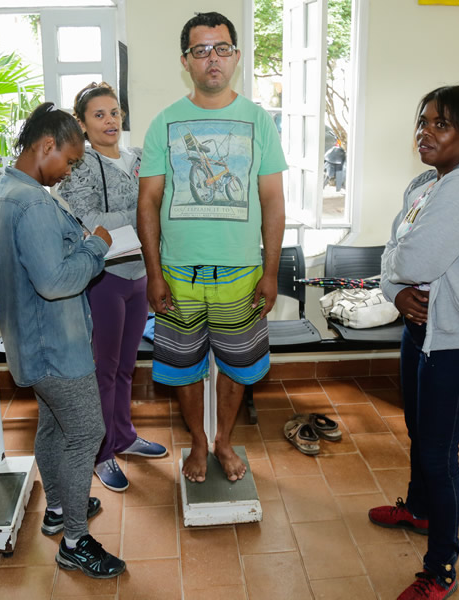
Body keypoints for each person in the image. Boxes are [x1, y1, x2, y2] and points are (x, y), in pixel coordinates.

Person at [367, 85, 459, 600]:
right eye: (423, 121)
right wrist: (395, 291)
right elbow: (392, 253)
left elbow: (413, 260)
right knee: (417, 431)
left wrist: (399, 272)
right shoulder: (426, 184)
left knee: (438, 452)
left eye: (440, 124)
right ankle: (420, 510)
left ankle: (441, 567)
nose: (425, 132)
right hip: (422, 326)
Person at [137, 12, 286, 483]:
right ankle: (199, 444)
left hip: (242, 273)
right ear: (186, 61)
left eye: (221, 48)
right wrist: (154, 273)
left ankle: (223, 441)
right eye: (200, 50)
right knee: (183, 369)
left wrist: (270, 271)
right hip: (178, 274)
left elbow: (273, 202)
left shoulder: (259, 121)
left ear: (236, 56)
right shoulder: (164, 123)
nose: (212, 59)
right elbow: (148, 201)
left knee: (237, 368)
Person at [0, 103, 125, 579]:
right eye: (68, 161)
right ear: (46, 145)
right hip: (56, 346)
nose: (68, 171)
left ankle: (59, 510)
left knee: (53, 429)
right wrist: (97, 245)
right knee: (86, 432)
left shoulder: (7, 191)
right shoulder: (33, 204)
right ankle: (75, 542)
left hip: (31, 341)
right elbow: (54, 281)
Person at [59, 82, 167, 494]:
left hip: (140, 274)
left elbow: (163, 203)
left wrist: (148, 212)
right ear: (83, 124)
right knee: (103, 370)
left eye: (115, 112)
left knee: (125, 367)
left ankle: (123, 435)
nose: (110, 121)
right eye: (99, 115)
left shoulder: (139, 158)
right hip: (105, 278)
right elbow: (91, 220)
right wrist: (145, 211)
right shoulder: (78, 165)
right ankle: (100, 452)